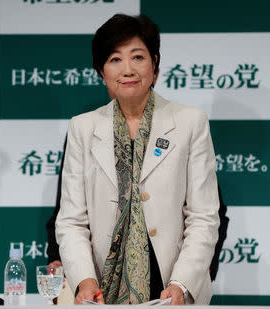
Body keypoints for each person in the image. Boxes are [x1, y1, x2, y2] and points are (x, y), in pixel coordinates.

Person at [55, 14, 220, 305]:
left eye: (137, 57)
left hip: (170, 289)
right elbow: (71, 221)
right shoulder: (82, 128)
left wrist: (181, 283)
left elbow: (203, 216)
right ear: (101, 71)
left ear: (154, 65)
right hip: (101, 290)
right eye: (115, 59)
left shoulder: (190, 123)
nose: (128, 69)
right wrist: (84, 279)